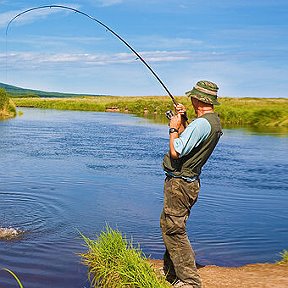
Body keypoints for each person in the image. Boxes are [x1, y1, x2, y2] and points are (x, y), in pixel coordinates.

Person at [160, 80, 222, 288]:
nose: (190, 98)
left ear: (198, 99)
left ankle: (189, 281)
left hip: (180, 184)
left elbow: (176, 150)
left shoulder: (202, 124)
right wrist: (185, 120)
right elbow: (192, 141)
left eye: (192, 96)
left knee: (174, 230)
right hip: (187, 183)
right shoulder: (210, 121)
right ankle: (171, 272)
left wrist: (173, 128)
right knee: (169, 225)